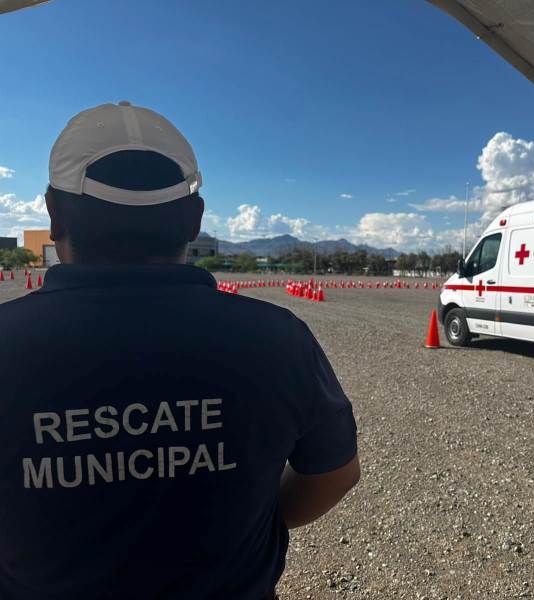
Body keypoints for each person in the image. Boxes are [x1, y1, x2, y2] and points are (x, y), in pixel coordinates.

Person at [0, 101, 359, 599]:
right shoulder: (278, 340)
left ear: (54, 213)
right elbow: (335, 474)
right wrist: (256, 525)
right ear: (195, 221)